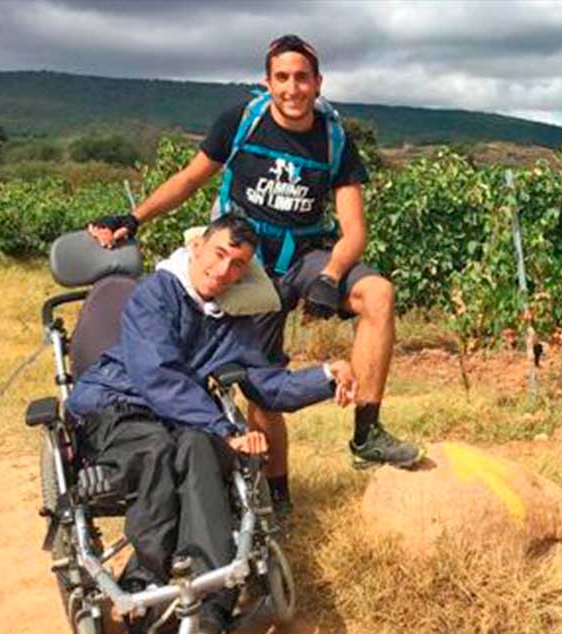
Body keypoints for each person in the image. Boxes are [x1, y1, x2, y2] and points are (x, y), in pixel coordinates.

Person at [89, 34, 424, 514]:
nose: (292, 88)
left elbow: (354, 231)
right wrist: (135, 218)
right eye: (282, 78)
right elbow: (189, 179)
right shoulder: (241, 122)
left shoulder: (334, 140)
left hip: (306, 256)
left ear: (318, 83)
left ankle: (367, 432)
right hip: (247, 268)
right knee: (262, 387)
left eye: (302, 78)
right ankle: (277, 498)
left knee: (378, 294)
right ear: (267, 83)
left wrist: (330, 276)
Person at [67, 216, 357, 633]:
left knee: (201, 450)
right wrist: (226, 428)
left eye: (238, 264)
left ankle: (212, 597)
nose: (223, 272)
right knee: (158, 449)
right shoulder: (155, 294)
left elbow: (265, 385)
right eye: (219, 254)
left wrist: (327, 375)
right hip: (119, 403)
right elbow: (158, 374)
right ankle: (144, 580)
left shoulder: (233, 318)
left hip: (181, 416)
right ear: (198, 246)